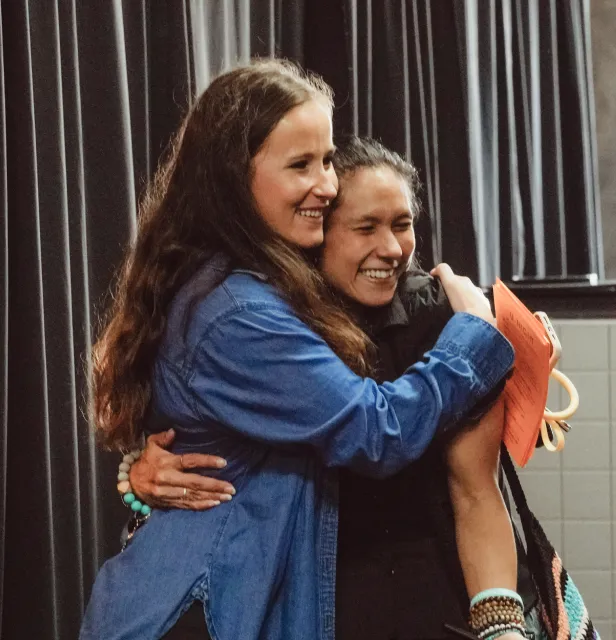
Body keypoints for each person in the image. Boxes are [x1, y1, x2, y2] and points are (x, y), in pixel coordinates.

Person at [80, 61, 514, 640]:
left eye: (329, 160)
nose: (326, 184)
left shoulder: (269, 287)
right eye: (300, 165)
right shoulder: (239, 309)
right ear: (237, 177)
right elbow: (374, 430)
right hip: (207, 612)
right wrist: (478, 336)